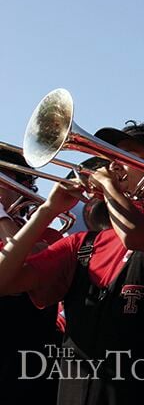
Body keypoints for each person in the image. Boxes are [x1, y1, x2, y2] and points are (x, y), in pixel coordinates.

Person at [0, 121, 144, 404]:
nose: (112, 164)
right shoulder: (81, 243)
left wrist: (109, 186)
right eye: (109, 156)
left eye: (126, 155)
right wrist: (47, 211)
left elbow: (134, 235)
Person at [0, 150, 63, 405]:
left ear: (23, 185)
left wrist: (3, 218)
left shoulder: (49, 237)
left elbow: (24, 265)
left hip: (25, 372)